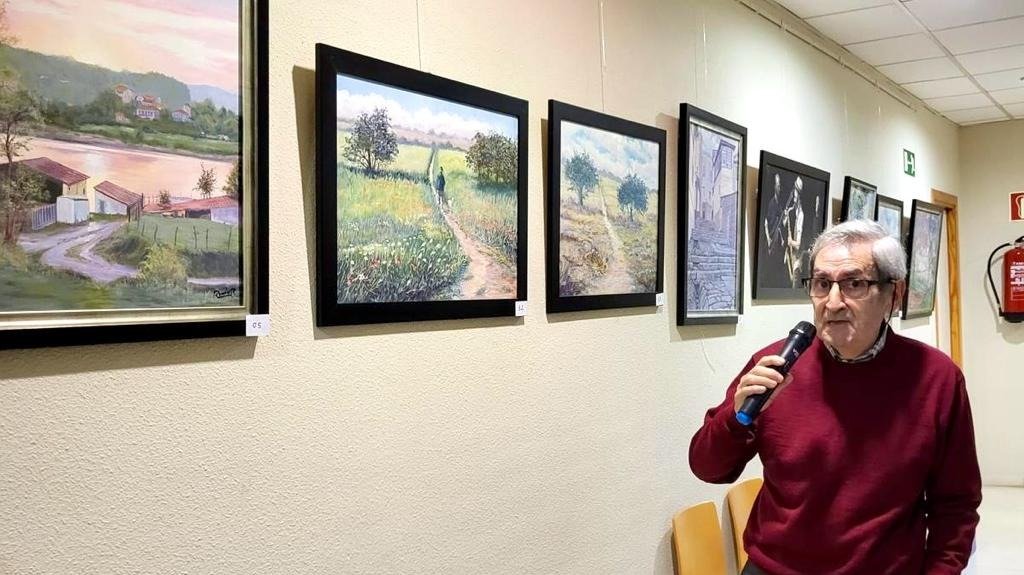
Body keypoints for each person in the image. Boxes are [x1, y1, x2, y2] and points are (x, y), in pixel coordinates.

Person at [689, 220, 981, 575]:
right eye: (822, 284)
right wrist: (735, 419)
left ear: (895, 294)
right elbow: (706, 467)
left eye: (854, 284)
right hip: (775, 568)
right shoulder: (775, 365)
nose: (833, 302)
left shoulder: (937, 377)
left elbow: (956, 505)